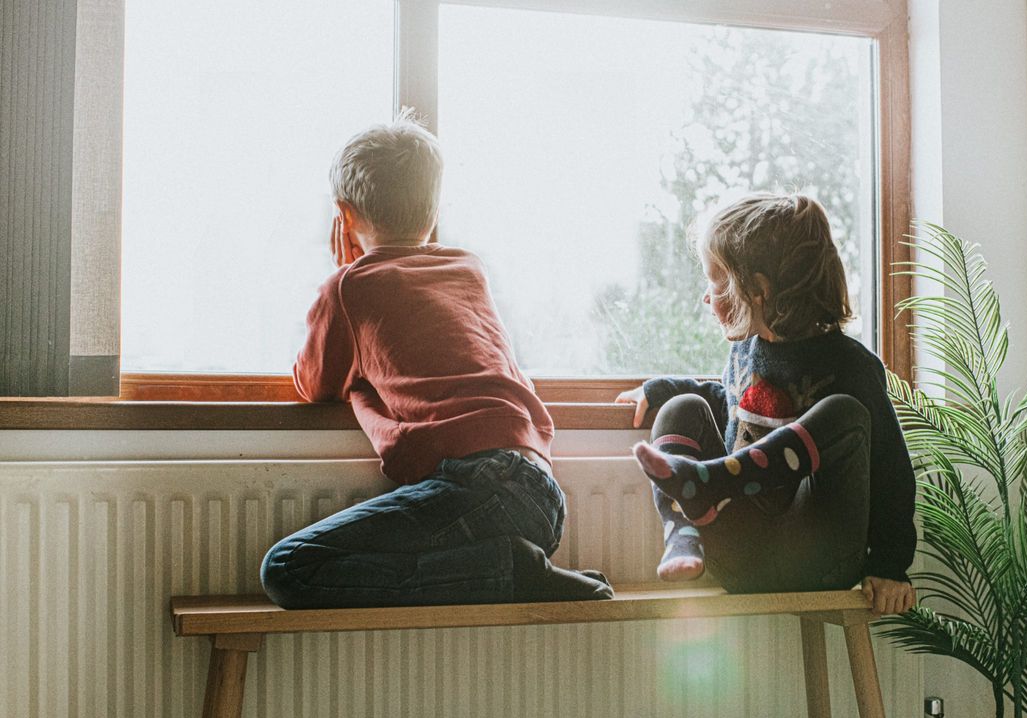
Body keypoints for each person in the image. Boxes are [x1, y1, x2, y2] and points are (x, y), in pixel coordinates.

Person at [260, 112, 612, 609]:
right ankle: (507, 565)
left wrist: (345, 276)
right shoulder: (468, 268)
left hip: (481, 486)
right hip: (541, 491)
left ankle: (506, 571)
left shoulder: (350, 286)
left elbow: (313, 384)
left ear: (344, 215)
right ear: (433, 209)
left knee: (288, 568)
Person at [617, 193, 916, 615]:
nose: (707, 297)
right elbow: (731, 404)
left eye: (715, 280)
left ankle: (712, 483)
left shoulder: (851, 366)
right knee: (681, 407)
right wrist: (660, 389)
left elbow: (891, 472)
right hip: (737, 555)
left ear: (758, 290)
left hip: (818, 557)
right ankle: (684, 531)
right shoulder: (744, 355)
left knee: (845, 415)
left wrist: (890, 564)